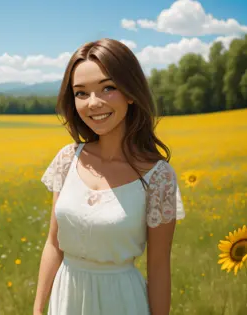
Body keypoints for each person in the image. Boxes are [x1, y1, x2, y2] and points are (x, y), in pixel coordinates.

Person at [32, 38, 186, 315]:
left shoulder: (159, 177)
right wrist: (37, 310)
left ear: (130, 92)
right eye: (81, 93)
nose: (94, 103)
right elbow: (54, 244)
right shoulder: (68, 159)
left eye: (108, 88)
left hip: (123, 302)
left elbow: (159, 266)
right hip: (65, 299)